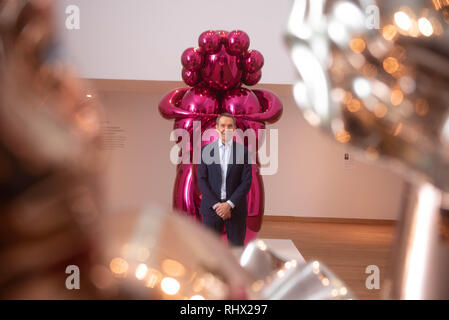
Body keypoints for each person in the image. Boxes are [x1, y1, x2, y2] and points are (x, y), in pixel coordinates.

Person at [197, 113, 252, 246]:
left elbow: (246, 181)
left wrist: (229, 205)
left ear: (234, 129)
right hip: (211, 208)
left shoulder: (243, 152)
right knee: (210, 251)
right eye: (222, 125)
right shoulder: (206, 150)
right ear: (216, 128)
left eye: (229, 126)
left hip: (235, 208)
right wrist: (217, 206)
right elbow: (201, 179)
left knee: (236, 250)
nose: (225, 129)